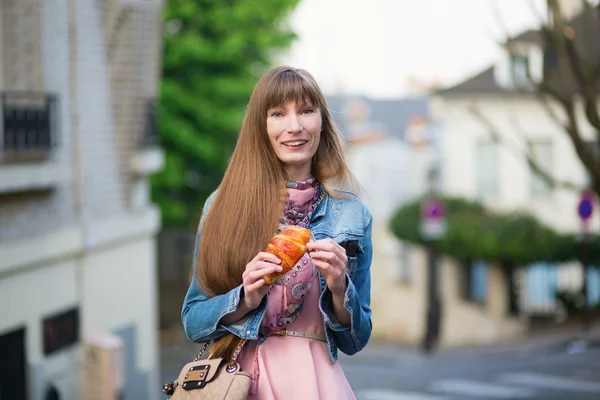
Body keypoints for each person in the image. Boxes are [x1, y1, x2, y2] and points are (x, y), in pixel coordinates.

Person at [182, 66, 373, 399]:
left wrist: (341, 287)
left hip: (316, 385)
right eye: (278, 113)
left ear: (322, 122)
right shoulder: (223, 206)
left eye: (306, 111)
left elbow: (356, 339)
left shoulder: (353, 215)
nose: (294, 126)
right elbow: (193, 320)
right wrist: (245, 297)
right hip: (238, 382)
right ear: (261, 126)